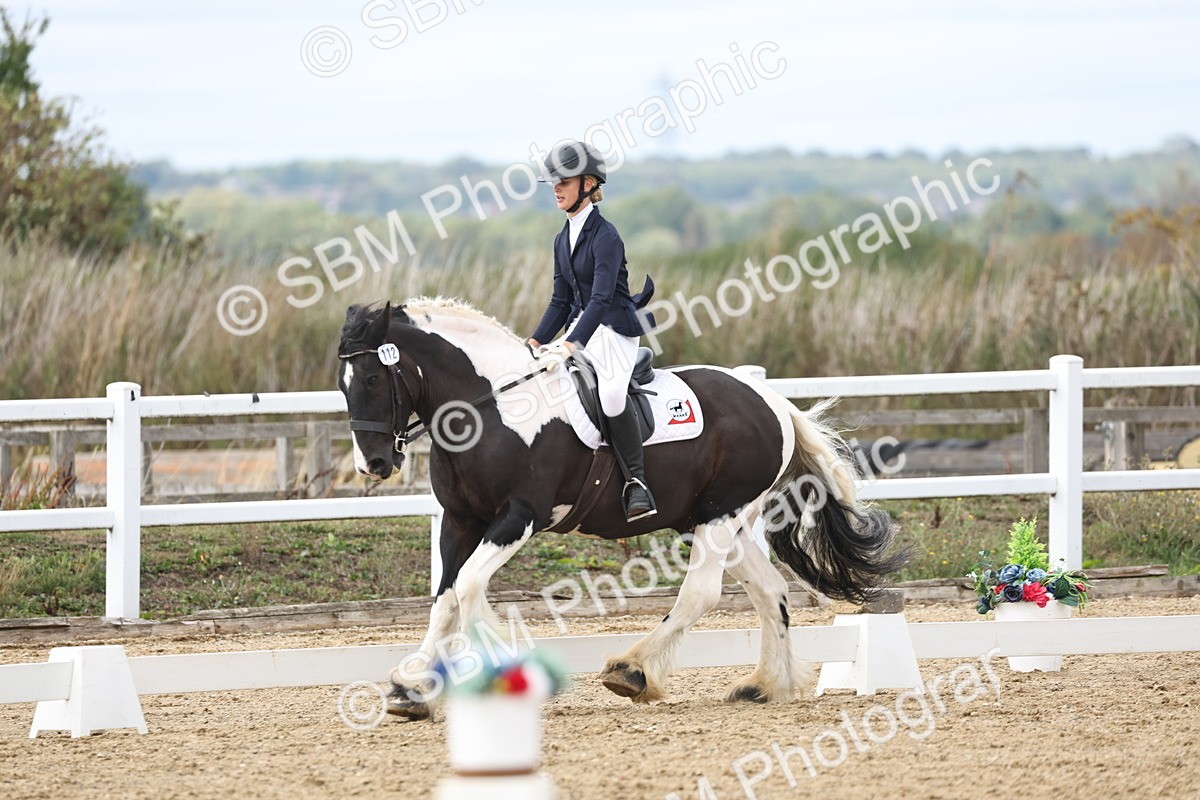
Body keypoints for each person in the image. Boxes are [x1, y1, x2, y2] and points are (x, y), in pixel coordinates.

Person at [527, 140, 658, 522]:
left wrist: (568, 345)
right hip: (581, 328)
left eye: (563, 181)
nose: (556, 188)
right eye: (553, 182)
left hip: (614, 331)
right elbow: (559, 301)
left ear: (587, 184)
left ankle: (638, 483)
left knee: (612, 396)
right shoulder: (562, 238)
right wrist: (533, 343)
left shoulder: (606, 236)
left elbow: (600, 300)